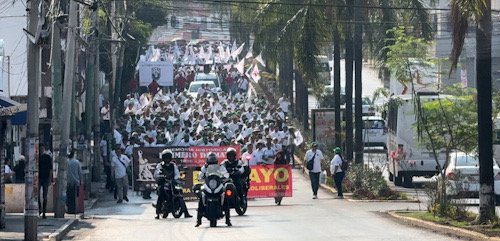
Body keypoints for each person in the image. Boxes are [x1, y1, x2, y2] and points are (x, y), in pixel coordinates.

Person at [153, 149, 192, 219]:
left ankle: (186, 213)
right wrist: (161, 176)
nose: (167, 159)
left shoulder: (173, 165)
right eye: (166, 157)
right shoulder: (160, 165)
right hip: (163, 182)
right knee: (161, 194)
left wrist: (176, 178)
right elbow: (156, 174)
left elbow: (177, 173)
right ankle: (158, 213)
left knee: (179, 193)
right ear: (163, 158)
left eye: (168, 157)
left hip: (172, 182)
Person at [196, 152, 231, 227]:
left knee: (225, 198)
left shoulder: (220, 166)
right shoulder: (205, 167)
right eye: (210, 160)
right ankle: (198, 220)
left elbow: (225, 173)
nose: (212, 162)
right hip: (208, 184)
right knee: (201, 198)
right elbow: (200, 175)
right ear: (208, 161)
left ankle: (228, 220)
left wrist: (225, 177)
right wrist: (200, 177)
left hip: (218, 183)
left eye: (213, 160)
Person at [39, 144, 53, 218]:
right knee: (37, 195)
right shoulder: (37, 158)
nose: (41, 150)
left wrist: (50, 179)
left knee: (45, 196)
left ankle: (44, 212)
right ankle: (39, 210)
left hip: (45, 178)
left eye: (42, 149)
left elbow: (50, 169)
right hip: (39, 178)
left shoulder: (47, 157)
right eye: (40, 149)